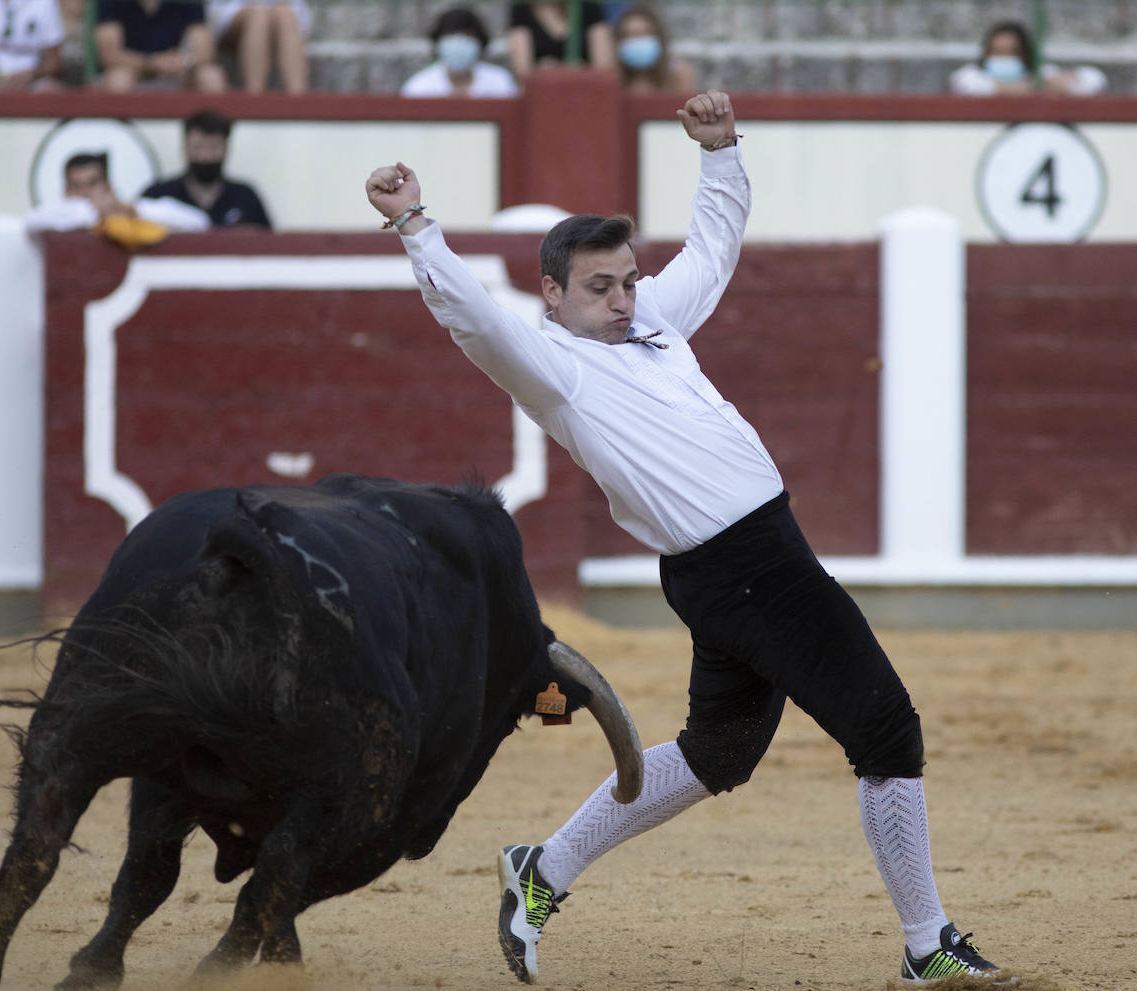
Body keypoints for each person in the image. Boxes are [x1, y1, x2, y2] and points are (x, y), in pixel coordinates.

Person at [365, 89, 1003, 987]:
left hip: (745, 560)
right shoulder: (554, 367)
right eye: (599, 287)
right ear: (551, 294)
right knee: (886, 730)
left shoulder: (655, 320)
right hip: (748, 571)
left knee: (716, 753)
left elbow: (713, 248)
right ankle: (927, 942)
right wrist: (417, 226)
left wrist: (719, 153)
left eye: (628, 279)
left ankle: (539, 871)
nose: (623, 299)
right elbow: (473, 315)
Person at [24, 151, 210, 238]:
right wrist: (95, 213)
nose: (85, 193)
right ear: (66, 191)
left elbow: (199, 222)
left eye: (92, 184)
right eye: (76, 186)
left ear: (109, 187)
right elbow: (32, 221)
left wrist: (131, 211)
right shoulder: (58, 215)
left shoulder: (130, 211)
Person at [138, 110, 272, 229]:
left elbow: (268, 243)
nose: (206, 156)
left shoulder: (246, 197)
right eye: (198, 147)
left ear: (226, 149)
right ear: (185, 148)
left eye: (214, 148)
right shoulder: (159, 194)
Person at [949, 19, 1106, 96]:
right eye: (997, 51)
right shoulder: (974, 74)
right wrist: (1021, 88)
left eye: (1011, 52)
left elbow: (1095, 80)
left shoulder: (1041, 73)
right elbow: (965, 84)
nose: (1004, 58)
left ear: (1024, 53)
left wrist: (1059, 82)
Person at [94, 0, 225, 92]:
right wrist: (151, 63)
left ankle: (210, 130)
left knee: (211, 76)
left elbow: (204, 52)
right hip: (134, 71)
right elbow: (110, 55)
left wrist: (184, 61)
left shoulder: (188, 2)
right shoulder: (110, 2)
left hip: (176, 72)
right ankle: (120, 131)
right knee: (119, 79)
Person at [401, 6, 518, 99]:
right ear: (438, 42)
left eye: (467, 36)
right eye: (451, 35)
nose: (458, 42)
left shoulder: (500, 82)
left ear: (480, 42)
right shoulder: (419, 87)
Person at [206, 0, 308, 93]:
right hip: (231, 9)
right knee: (259, 14)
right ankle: (255, 96)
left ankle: (299, 98)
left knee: (285, 14)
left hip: (282, 12)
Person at [507, 1, 613, 81]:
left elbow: (603, 68)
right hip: (542, 90)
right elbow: (522, 71)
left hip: (584, 88)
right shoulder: (522, 10)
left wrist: (566, 70)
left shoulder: (590, 9)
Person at [613, 3, 694, 95]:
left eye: (643, 33)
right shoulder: (613, 77)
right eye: (629, 35)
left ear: (659, 36)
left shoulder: (679, 73)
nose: (637, 41)